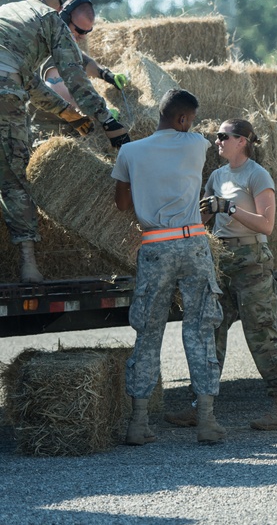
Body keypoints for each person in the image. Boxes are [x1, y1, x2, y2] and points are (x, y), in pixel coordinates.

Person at [163, 118, 277, 432]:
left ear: (242, 141)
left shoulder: (257, 175)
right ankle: (201, 405)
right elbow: (205, 219)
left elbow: (267, 225)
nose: (217, 141)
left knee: (260, 331)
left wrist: (230, 208)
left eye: (223, 136)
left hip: (252, 260)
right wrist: (205, 209)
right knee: (211, 332)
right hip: (221, 259)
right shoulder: (217, 176)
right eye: (216, 136)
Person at [112, 89, 225, 446]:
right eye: (189, 118)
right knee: (200, 328)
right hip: (192, 244)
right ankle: (206, 421)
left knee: (148, 333)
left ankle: (138, 422)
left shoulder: (129, 152)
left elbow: (121, 203)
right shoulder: (196, 145)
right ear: (183, 119)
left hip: (155, 246)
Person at [0, 0, 130, 281]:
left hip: (9, 85)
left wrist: (67, 113)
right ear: (59, 9)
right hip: (6, 100)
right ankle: (28, 264)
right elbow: (75, 78)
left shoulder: (7, 11)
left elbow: (26, 79)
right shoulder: (49, 20)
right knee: (15, 182)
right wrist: (107, 121)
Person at [40, 0, 129, 110]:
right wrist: (101, 114)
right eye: (80, 31)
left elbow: (81, 60)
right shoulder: (53, 47)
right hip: (52, 126)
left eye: (87, 31)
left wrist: (106, 74)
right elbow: (58, 91)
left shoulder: (65, 45)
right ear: (64, 19)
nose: (82, 36)